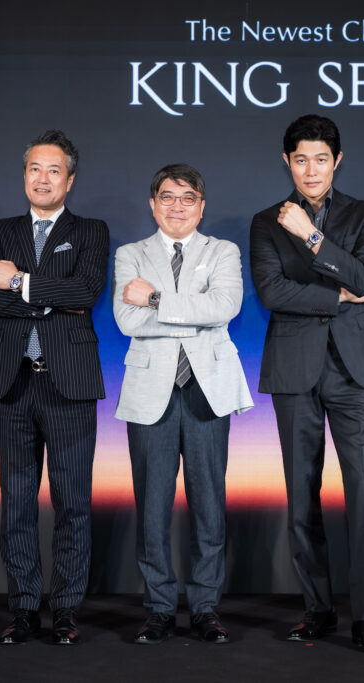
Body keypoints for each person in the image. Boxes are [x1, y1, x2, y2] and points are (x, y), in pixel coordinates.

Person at [249, 114, 364, 653]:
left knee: (363, 492)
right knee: (301, 496)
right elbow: (271, 292)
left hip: (354, 370)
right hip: (294, 369)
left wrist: (310, 236)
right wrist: (339, 296)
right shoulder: (265, 221)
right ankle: (317, 610)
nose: (311, 170)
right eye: (300, 160)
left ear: (337, 161)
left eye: (321, 159)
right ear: (286, 162)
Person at [0, 129, 109, 645]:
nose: (43, 178)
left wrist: (19, 282)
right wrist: (53, 298)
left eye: (54, 170)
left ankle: (67, 610)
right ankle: (25, 608)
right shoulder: (1, 230)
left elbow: (86, 292)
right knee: (17, 503)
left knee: (73, 503)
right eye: (35, 168)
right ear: (24, 175)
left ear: (69, 180)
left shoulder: (90, 230)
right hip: (13, 382)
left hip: (68, 382)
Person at [113, 164, 253, 644]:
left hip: (207, 386)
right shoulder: (131, 253)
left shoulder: (223, 251)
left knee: (209, 503)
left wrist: (154, 298)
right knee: (152, 506)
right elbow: (127, 320)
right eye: (168, 197)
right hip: (149, 390)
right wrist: (192, 312)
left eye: (187, 197)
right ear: (153, 205)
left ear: (202, 206)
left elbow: (225, 308)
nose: (177, 206)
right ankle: (158, 608)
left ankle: (206, 607)